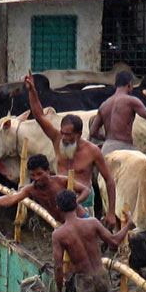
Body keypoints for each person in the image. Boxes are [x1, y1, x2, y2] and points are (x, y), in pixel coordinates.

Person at [24, 74, 118, 227]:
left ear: (78, 134)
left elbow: (109, 180)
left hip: (83, 201)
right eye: (62, 133)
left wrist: (111, 212)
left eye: (68, 135)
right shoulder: (57, 139)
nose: (64, 138)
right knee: (62, 235)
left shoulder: (92, 151)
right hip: (59, 201)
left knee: (85, 236)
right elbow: (39, 116)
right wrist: (32, 91)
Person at [0, 153, 90, 222]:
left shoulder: (61, 181)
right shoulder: (31, 189)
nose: (36, 178)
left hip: (81, 218)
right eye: (33, 175)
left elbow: (86, 190)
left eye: (39, 174)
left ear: (48, 171)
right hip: (62, 224)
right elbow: (12, 198)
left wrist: (74, 203)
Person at [88, 70, 146, 155]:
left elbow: (93, 132)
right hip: (124, 149)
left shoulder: (104, 105)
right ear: (130, 85)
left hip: (106, 150)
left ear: (115, 85)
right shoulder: (131, 101)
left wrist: (107, 139)